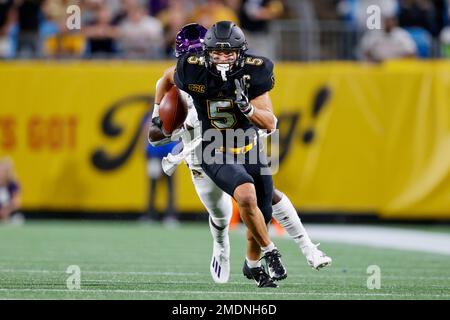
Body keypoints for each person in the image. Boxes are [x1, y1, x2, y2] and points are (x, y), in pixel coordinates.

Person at [149, 22, 331, 287]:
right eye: (204, 53)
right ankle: (221, 245)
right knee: (220, 214)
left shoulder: (250, 71)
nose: (215, 58)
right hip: (202, 150)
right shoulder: (184, 75)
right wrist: (169, 123)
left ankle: (281, 255)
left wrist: (249, 111)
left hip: (241, 140)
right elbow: (156, 131)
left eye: (224, 52)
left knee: (263, 200)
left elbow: (268, 119)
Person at [0, 157, 21, 222]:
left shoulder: (13, 184)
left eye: (4, 171)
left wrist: (6, 211)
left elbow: (16, 202)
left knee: (18, 219)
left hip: (10, 214)